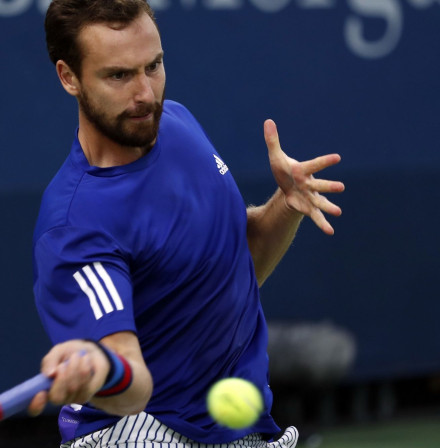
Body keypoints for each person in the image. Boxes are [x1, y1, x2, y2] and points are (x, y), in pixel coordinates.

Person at [25, 1, 345, 447]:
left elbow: (239, 266)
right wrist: (99, 369)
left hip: (232, 427)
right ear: (68, 77)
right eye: (118, 75)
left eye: (153, 66)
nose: (145, 94)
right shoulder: (75, 229)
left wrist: (285, 204)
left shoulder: (176, 123)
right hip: (140, 431)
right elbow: (131, 383)